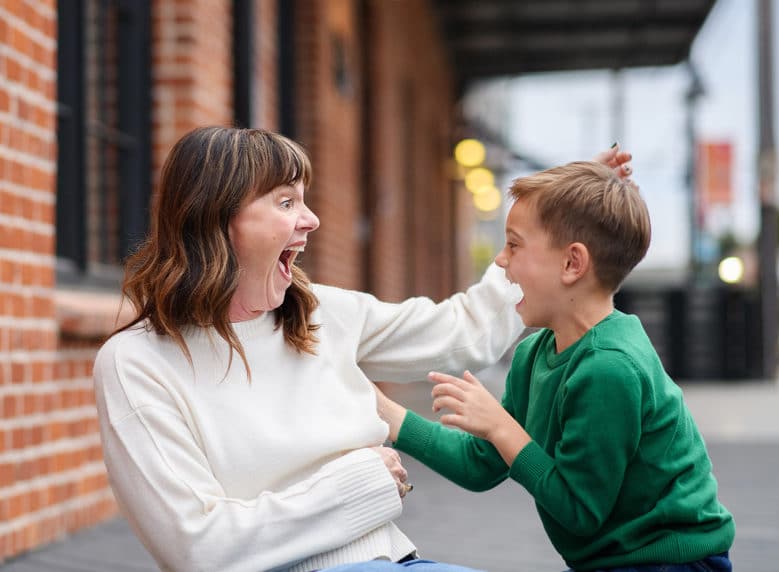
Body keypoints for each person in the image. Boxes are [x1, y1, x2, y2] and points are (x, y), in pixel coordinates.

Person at [93, 126, 632, 572]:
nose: (311, 220)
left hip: (396, 559)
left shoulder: (321, 312)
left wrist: (552, 225)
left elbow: (463, 332)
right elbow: (197, 548)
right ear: (217, 220)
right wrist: (359, 485)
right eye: (286, 202)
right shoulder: (138, 363)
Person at [375, 161, 735, 572]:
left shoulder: (609, 368)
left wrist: (500, 425)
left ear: (571, 264)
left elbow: (580, 512)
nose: (500, 259)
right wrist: (386, 413)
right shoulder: (535, 355)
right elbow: (481, 465)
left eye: (513, 245)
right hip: (612, 559)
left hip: (671, 562)